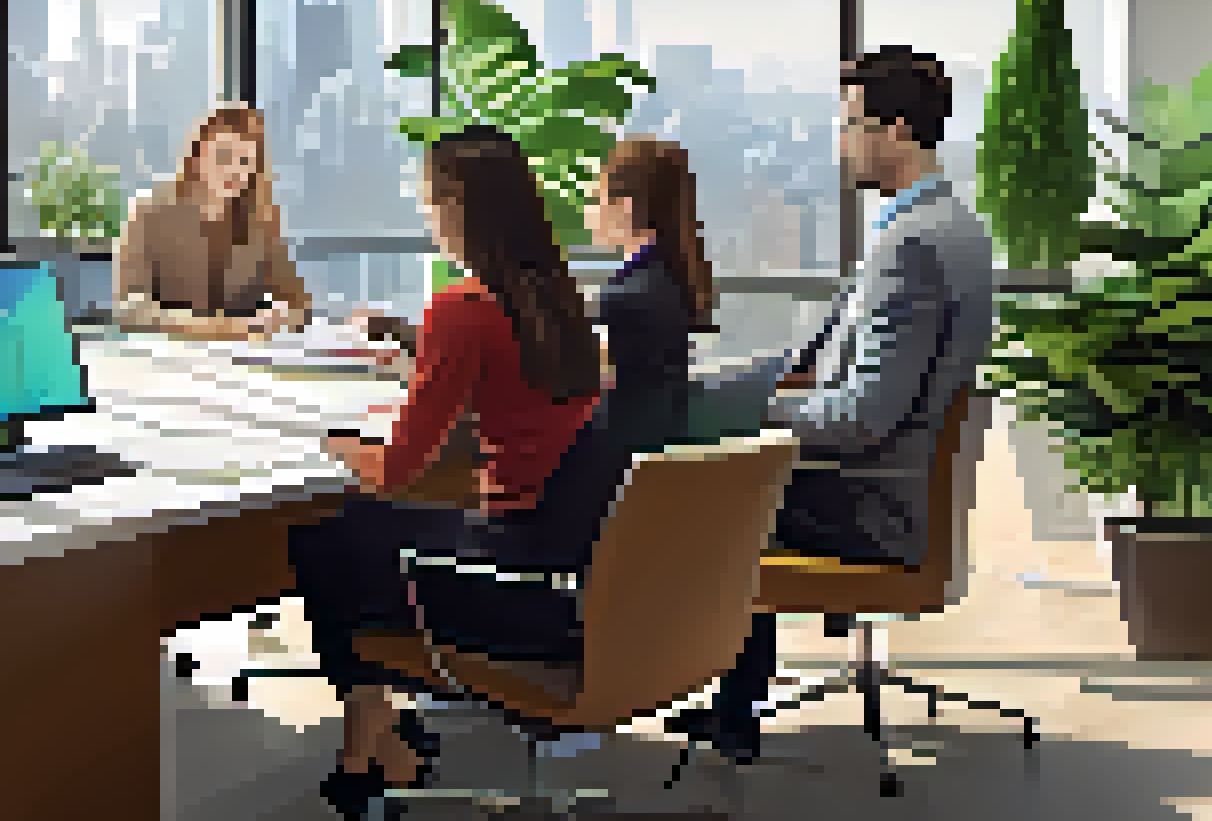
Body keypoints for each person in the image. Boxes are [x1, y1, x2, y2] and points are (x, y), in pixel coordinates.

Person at [674, 47, 996, 763]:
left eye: (851, 124)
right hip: (904, 489)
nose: (841, 143)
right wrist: (732, 382)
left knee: (698, 500)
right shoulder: (946, 225)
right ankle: (734, 702)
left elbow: (860, 417)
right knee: (730, 479)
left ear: (898, 129)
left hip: (876, 506)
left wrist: (742, 413)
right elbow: (828, 358)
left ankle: (695, 701)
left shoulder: (911, 246)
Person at [292, 126, 623, 819]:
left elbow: (395, 470)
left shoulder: (462, 308)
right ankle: (376, 740)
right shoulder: (558, 299)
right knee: (360, 536)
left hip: (513, 581)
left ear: (455, 207)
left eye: (428, 200)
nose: (427, 216)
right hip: (576, 575)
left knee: (331, 537)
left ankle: (370, 740)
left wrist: (331, 442)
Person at [113, 104, 311, 341]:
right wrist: (221, 327)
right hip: (168, 352)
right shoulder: (148, 213)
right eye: (224, 156)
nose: (234, 170)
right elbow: (130, 309)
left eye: (245, 161)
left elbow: (298, 305)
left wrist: (280, 317)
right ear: (197, 157)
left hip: (243, 355)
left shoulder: (261, 221)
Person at [585, 136, 718, 453]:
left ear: (625, 206)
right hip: (665, 443)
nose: (588, 212)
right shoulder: (674, 274)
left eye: (595, 199)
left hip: (623, 454)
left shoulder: (624, 295)